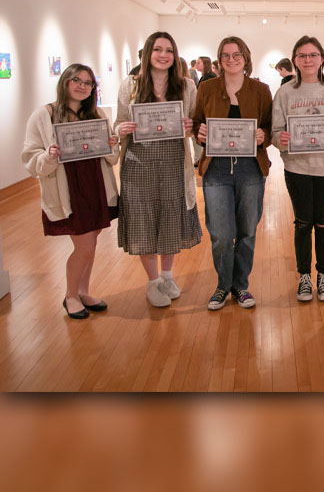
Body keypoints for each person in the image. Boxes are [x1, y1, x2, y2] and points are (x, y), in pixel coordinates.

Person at [22, 64, 120, 319]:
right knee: (85, 245)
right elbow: (31, 159)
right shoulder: (43, 115)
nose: (82, 86)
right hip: (68, 189)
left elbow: (111, 158)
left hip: (95, 183)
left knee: (92, 240)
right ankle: (70, 296)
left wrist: (111, 145)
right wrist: (49, 155)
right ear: (65, 81)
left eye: (88, 83)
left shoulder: (95, 113)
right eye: (77, 80)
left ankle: (83, 291)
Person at [115, 32, 202, 307]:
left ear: (174, 55)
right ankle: (152, 282)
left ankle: (167, 275)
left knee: (170, 216)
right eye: (158, 49)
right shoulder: (130, 84)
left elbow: (194, 126)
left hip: (174, 162)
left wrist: (190, 127)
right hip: (137, 163)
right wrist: (121, 128)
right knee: (143, 219)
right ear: (147, 53)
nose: (163, 55)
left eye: (169, 50)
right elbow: (117, 124)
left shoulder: (186, 85)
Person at [192, 36, 271, 311]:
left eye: (236, 54)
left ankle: (241, 286)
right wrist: (199, 133)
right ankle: (222, 286)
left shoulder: (261, 90)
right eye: (225, 55)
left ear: (245, 58)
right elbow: (197, 123)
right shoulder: (207, 88)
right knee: (222, 233)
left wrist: (264, 135)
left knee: (247, 229)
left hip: (251, 168)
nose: (231, 59)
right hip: (216, 170)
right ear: (219, 60)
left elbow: (271, 127)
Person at [272, 36, 324, 302]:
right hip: (297, 167)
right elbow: (275, 131)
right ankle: (304, 276)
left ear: (322, 58)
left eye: (313, 55)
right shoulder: (284, 92)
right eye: (302, 56)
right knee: (303, 223)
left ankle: (323, 275)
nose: (308, 60)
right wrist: (279, 138)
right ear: (295, 59)